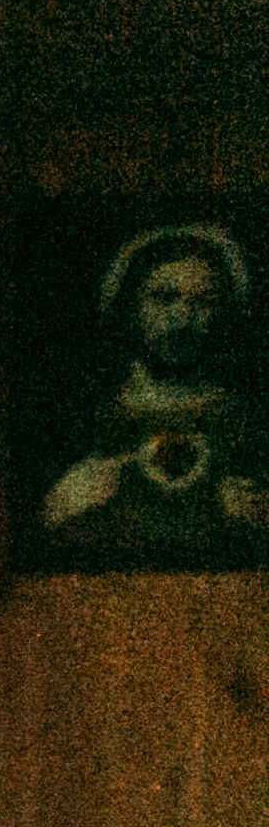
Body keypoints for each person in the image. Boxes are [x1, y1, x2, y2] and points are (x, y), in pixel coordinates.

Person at [32, 221, 266, 570]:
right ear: (131, 306)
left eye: (202, 301)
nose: (182, 318)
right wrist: (60, 508)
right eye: (164, 297)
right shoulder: (90, 417)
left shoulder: (243, 418)